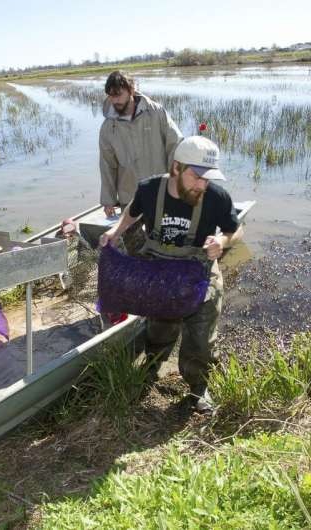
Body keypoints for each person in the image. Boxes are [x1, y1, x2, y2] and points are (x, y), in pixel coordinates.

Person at [99, 135, 243, 412]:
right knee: (159, 328)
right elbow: (132, 211)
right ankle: (151, 369)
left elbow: (235, 229)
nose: (202, 184)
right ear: (176, 167)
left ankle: (199, 388)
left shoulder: (216, 197)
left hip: (198, 273)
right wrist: (115, 231)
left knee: (200, 339)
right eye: (196, 176)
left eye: (207, 178)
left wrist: (222, 242)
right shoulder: (150, 189)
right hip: (160, 271)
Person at [99, 71, 182, 254]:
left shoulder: (156, 112)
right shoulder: (107, 128)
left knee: (166, 245)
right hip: (130, 197)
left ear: (131, 90)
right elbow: (107, 165)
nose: (114, 100)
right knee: (134, 248)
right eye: (111, 95)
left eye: (118, 94)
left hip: (160, 194)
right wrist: (108, 200)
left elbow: (175, 145)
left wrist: (176, 183)